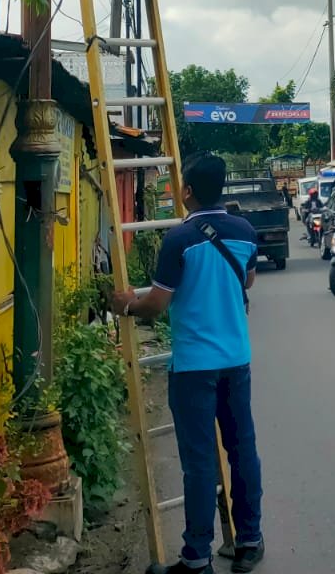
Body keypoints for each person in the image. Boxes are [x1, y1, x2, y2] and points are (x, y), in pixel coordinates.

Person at [110, 154, 265, 573]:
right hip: (236, 360)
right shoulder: (245, 231)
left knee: (199, 463)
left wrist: (126, 307)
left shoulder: (179, 239)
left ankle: (196, 558)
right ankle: (250, 540)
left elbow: (156, 305)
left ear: (189, 191)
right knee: (242, 449)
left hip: (195, 366)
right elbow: (247, 280)